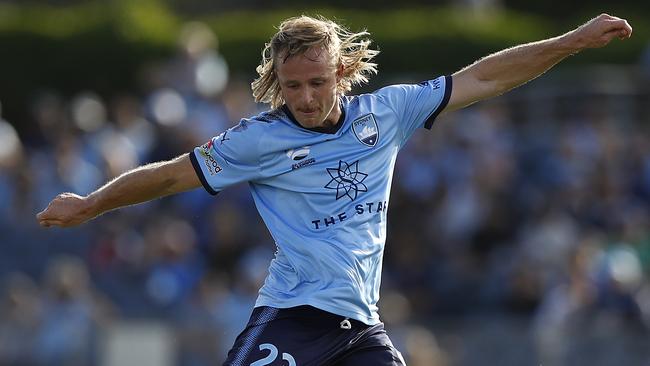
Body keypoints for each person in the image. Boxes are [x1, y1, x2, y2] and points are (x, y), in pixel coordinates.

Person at [37, 13, 632, 366]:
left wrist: (570, 41)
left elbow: (483, 75)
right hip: (293, 316)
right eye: (292, 85)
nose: (304, 98)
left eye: (317, 82)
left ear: (344, 72)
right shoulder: (258, 140)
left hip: (361, 328)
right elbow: (169, 174)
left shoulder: (390, 113)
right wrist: (92, 204)